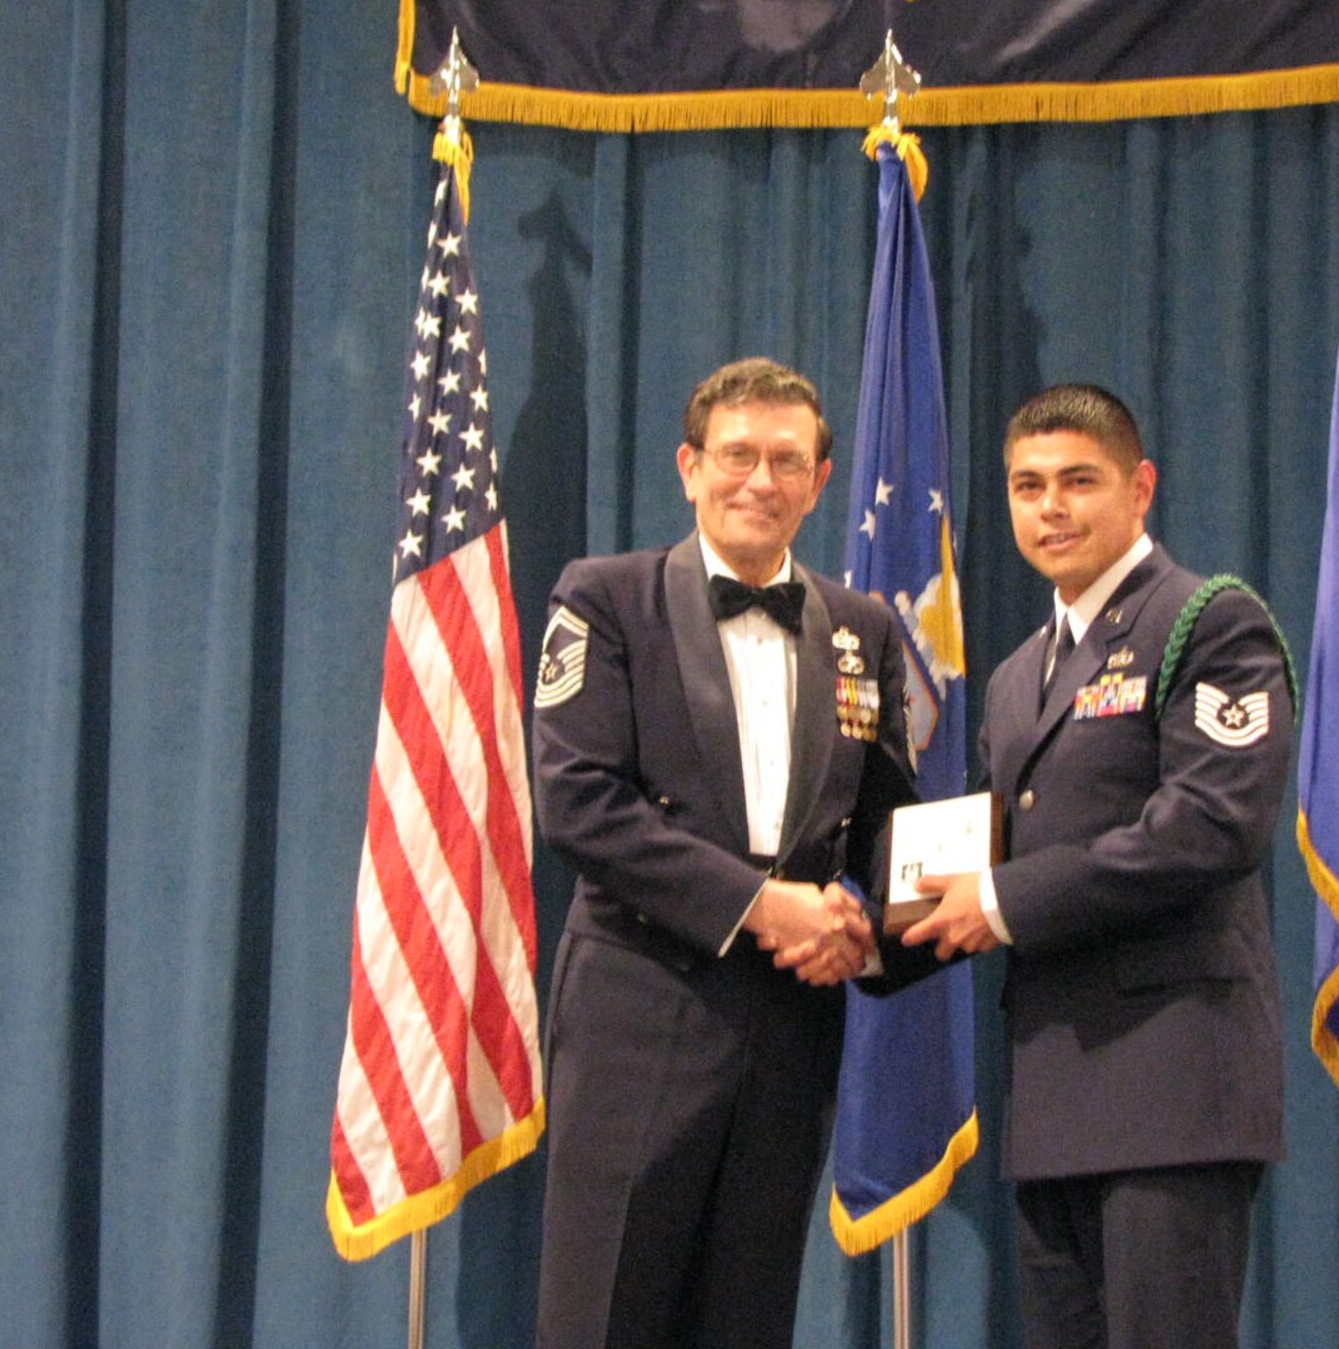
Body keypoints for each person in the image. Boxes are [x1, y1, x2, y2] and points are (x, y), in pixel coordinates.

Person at [530, 357, 915, 1349]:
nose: (761, 481)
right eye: (736, 456)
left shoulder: (863, 630)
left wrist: (876, 923)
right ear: (688, 468)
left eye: (786, 461)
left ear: (820, 480)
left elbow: (885, 826)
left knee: (747, 1323)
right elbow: (577, 802)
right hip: (638, 1009)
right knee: (604, 1317)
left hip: (788, 1029)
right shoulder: (606, 599)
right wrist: (765, 905)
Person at [903, 383, 1293, 1349]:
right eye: (1028, 486)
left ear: (1141, 486)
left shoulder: (1208, 620)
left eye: (1079, 481)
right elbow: (980, 853)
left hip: (1172, 1088)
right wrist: (857, 916)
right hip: (1054, 1091)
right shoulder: (1013, 673)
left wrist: (995, 900)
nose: (1051, 508)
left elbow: (1209, 826)